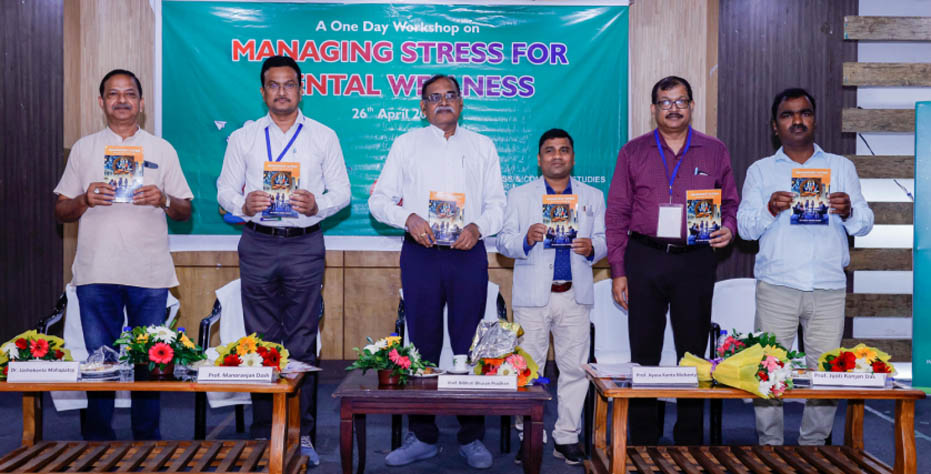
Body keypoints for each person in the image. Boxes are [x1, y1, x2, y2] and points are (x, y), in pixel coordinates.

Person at [216, 55, 351, 466]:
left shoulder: (324, 136)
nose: (281, 92)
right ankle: (265, 433)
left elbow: (342, 192)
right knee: (260, 341)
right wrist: (242, 203)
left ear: (301, 89)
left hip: (304, 244)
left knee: (302, 339)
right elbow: (224, 189)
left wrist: (318, 204)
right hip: (257, 243)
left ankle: (301, 432)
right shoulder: (244, 137)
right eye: (273, 85)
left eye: (289, 84)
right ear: (263, 92)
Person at [368, 74, 506, 469]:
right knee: (423, 343)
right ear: (422, 107)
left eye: (450, 96)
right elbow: (378, 201)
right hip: (422, 254)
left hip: (468, 253)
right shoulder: (406, 144)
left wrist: (478, 226)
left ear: (461, 103)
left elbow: (498, 204)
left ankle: (471, 436)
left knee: (468, 343)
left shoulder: (482, 146)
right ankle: (423, 435)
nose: (443, 102)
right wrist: (407, 217)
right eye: (434, 97)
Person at [54, 69, 193, 440]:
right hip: (96, 273)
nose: (121, 100)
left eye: (129, 93)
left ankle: (146, 443)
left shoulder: (162, 149)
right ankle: (98, 443)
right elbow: (61, 210)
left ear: (141, 103)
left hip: (149, 274)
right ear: (101, 102)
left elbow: (185, 210)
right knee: (100, 362)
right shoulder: (84, 149)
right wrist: (84, 199)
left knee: (149, 363)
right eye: (113, 94)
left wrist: (163, 199)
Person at [605, 75, 739, 445]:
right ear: (654, 109)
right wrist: (618, 270)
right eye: (665, 102)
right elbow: (616, 214)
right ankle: (643, 439)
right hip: (644, 257)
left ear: (692, 106)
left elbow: (731, 203)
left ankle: (689, 440)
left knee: (692, 353)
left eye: (680, 101)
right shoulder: (633, 152)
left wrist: (728, 228)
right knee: (644, 351)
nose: (673, 108)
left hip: (694, 259)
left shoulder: (714, 150)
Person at [737, 88, 873, 445]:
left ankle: (813, 449)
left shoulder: (841, 167)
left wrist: (849, 211)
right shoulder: (760, 171)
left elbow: (865, 224)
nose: (797, 120)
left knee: (826, 374)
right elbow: (744, 228)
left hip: (828, 287)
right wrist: (769, 209)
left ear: (814, 120)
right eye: (787, 114)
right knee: (769, 372)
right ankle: (770, 447)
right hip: (777, 286)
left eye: (804, 113)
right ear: (775, 125)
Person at [497, 129, 606, 465]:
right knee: (528, 369)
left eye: (563, 150)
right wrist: (526, 239)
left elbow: (604, 240)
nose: (557, 156)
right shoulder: (519, 196)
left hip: (574, 294)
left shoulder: (592, 196)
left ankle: (567, 437)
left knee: (574, 369)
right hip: (533, 297)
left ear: (573, 156)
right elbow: (503, 242)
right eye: (549, 150)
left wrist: (593, 248)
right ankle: (528, 436)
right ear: (539, 158)